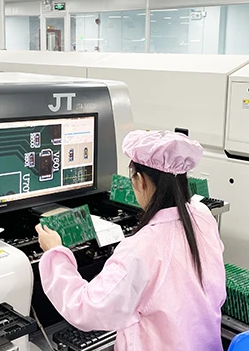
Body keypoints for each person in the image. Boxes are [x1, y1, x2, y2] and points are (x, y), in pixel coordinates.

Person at [35, 130, 226, 351]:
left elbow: (87, 308)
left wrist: (55, 254)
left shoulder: (141, 248)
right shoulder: (203, 218)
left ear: (140, 181)